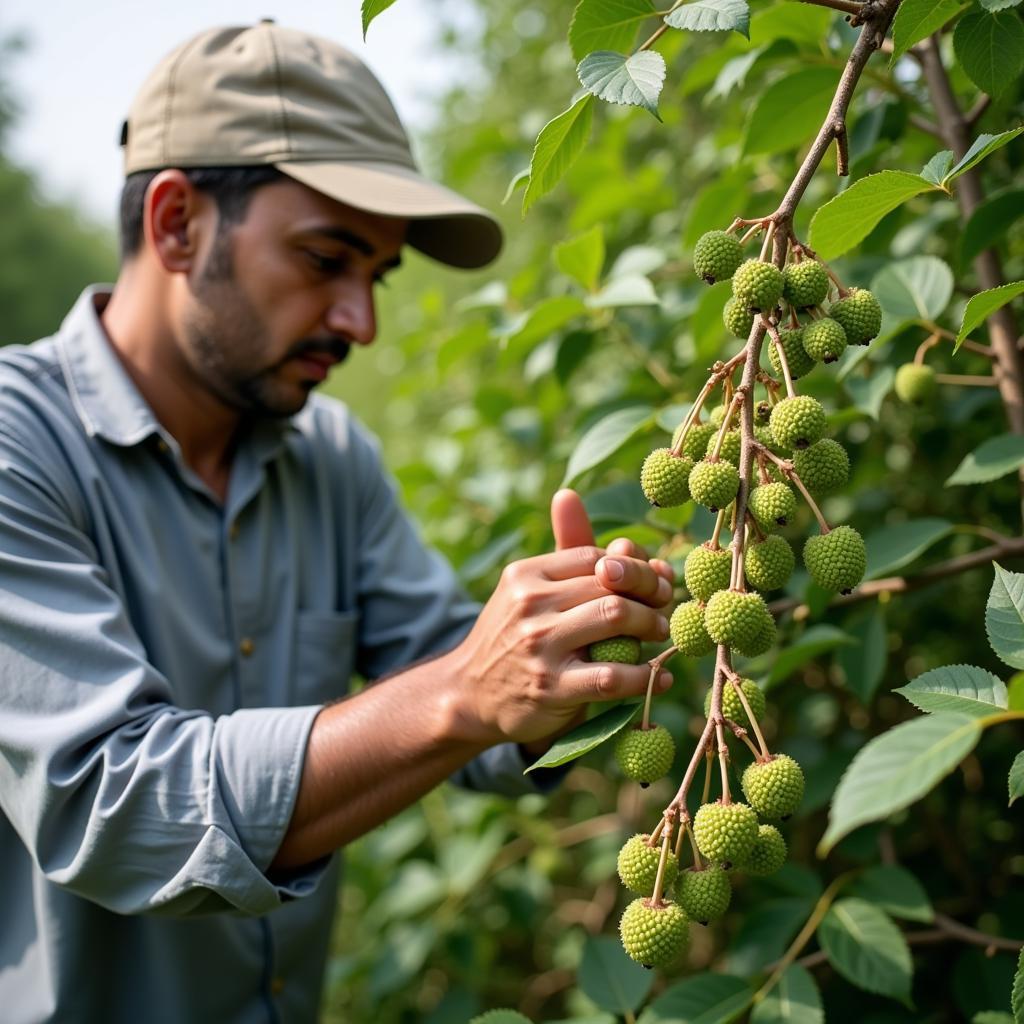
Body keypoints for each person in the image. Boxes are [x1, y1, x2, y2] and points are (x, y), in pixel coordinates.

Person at [0, 21, 675, 1023]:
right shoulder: (20, 447)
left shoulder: (333, 458)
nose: (360, 321)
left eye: (378, 277)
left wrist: (573, 656)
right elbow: (116, 799)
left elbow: (465, 690)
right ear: (177, 222)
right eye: (325, 260)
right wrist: (465, 689)